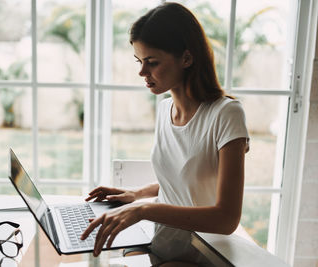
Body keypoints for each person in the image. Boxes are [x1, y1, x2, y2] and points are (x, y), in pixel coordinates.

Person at [80, 2, 249, 261]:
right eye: (139, 61)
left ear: (187, 58)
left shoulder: (226, 114)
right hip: (159, 242)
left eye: (152, 62)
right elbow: (187, 179)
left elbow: (226, 219)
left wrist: (143, 210)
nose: (142, 72)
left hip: (200, 252)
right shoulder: (165, 109)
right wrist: (136, 195)